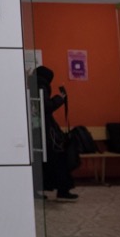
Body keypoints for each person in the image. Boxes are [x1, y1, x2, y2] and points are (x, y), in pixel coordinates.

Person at [34, 66, 79, 200]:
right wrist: (60, 98)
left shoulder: (33, 84)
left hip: (39, 131)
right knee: (59, 160)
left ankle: (40, 190)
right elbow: (46, 106)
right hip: (46, 132)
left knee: (42, 162)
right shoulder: (41, 86)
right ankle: (63, 190)